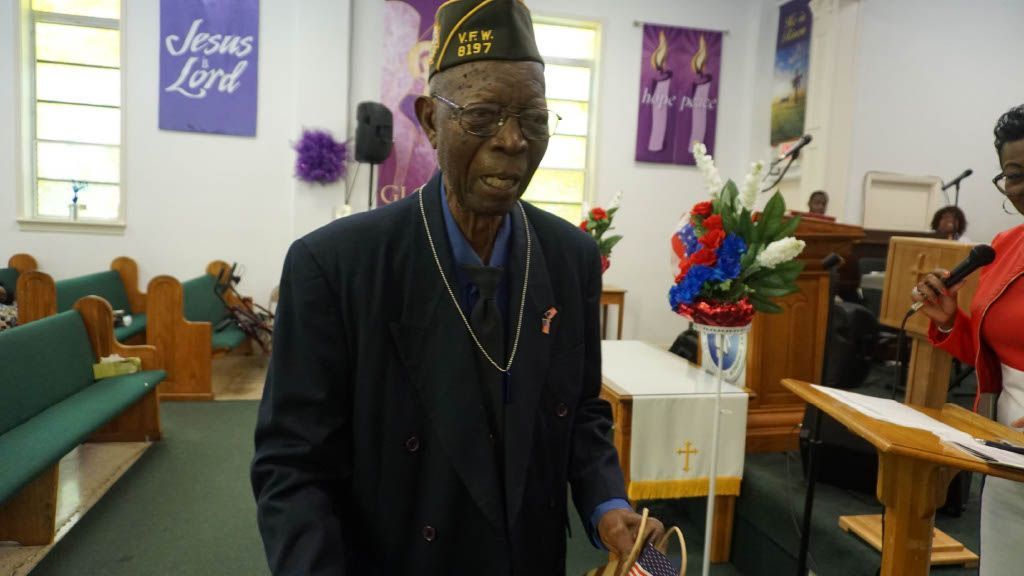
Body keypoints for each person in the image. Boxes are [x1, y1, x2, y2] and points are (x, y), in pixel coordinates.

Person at [251, 1, 662, 573]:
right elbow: (293, 465)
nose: (513, 141)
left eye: (534, 119)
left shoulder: (570, 258)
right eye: (482, 115)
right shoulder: (336, 267)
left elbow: (580, 411)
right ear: (429, 120)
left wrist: (608, 503)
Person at [911, 104, 1024, 576]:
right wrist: (948, 323)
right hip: (1007, 450)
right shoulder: (1006, 245)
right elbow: (992, 356)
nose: (1023, 184)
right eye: (1014, 174)